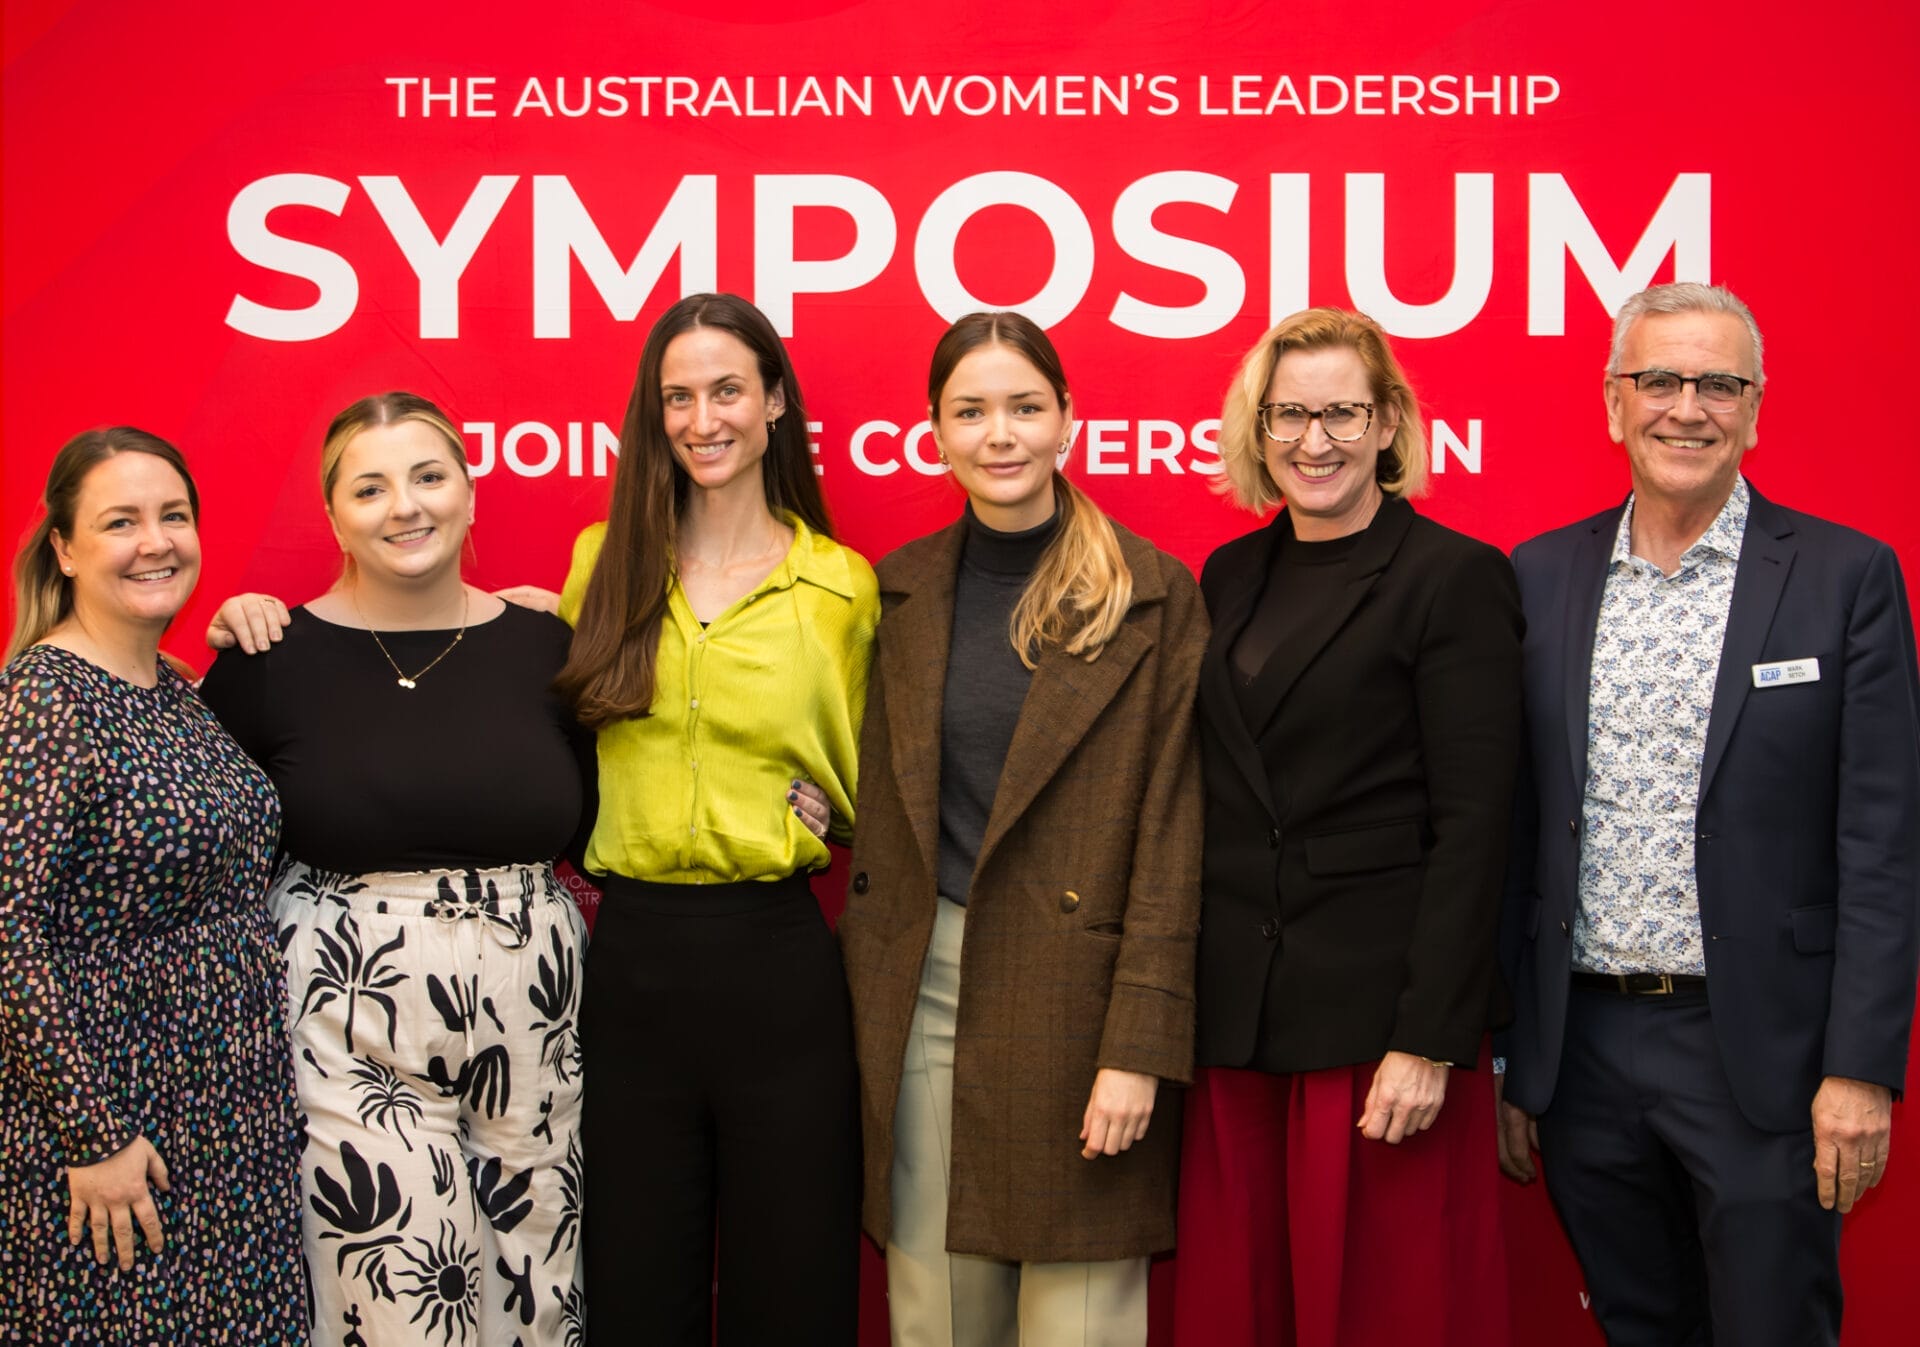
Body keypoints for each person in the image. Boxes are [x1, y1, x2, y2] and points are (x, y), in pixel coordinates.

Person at [1496, 282, 1920, 1346]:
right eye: (1661, 380)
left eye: (1718, 384)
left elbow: (1882, 844)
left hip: (1763, 1059)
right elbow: (1514, 832)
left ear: (1756, 409)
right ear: (1613, 404)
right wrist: (1511, 1053)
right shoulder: (1539, 578)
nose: (1688, 407)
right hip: (1582, 1051)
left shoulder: (1846, 578)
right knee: (1639, 1325)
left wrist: (1859, 1069)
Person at [837, 310, 1208, 1347]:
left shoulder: (1151, 594)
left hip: (1083, 1006)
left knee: (1079, 1326)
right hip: (926, 992)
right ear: (937, 432)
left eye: (1024, 407)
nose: (1000, 434)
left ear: (1067, 423)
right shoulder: (898, 589)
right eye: (972, 411)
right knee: (937, 1319)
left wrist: (1139, 1047)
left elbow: (1173, 839)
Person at [198, 392, 595, 1346]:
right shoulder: (268, 655)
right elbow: (198, 832)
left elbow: (629, 803)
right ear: (333, 517)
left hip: (533, 1014)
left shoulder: (550, 646)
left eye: (428, 476)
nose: (404, 506)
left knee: (539, 1288)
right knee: (395, 1297)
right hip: (345, 1019)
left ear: (469, 492)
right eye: (368, 488)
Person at [1173, 308, 1521, 1347]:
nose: (1312, 441)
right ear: (1257, 425)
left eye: (1339, 413)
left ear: (1387, 425)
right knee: (1247, 1308)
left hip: (1377, 1036)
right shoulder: (1230, 575)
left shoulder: (1451, 576)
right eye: (1289, 414)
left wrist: (1428, 1039)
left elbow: (1476, 825)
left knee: (1385, 1308)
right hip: (1239, 1020)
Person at [555, 292, 876, 1345]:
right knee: (636, 1287)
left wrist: (846, 815)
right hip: (634, 965)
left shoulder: (840, 587)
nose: (704, 419)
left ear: (774, 401)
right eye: (679, 396)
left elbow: (892, 784)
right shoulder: (601, 563)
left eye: (728, 389)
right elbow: (549, 727)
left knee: (795, 1284)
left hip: (778, 964)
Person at [0, 429, 306, 1342]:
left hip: (228, 1117)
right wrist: (90, 1134)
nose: (155, 541)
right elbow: (8, 930)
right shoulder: (46, 698)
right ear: (64, 546)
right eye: (120, 521)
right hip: (121, 1126)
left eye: (173, 515)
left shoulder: (175, 691)